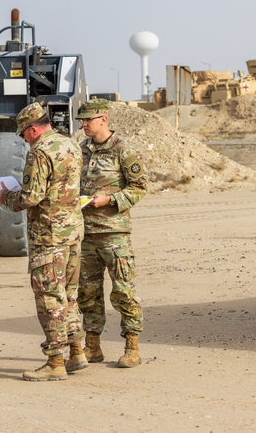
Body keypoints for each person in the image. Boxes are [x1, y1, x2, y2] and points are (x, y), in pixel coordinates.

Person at [0, 102, 88, 381]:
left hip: (48, 237)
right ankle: (77, 352)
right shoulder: (71, 145)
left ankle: (55, 363)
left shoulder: (40, 152)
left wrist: (5, 198)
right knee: (69, 295)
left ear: (34, 129)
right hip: (72, 233)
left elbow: (31, 197)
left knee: (50, 299)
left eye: (24, 134)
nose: (24, 139)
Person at [76, 99, 148, 368]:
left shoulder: (123, 150)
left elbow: (139, 187)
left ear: (103, 119)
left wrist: (110, 200)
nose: (83, 125)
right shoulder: (80, 150)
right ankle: (93, 346)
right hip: (85, 233)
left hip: (114, 233)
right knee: (87, 292)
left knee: (123, 290)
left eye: (88, 120)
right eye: (81, 121)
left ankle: (132, 346)